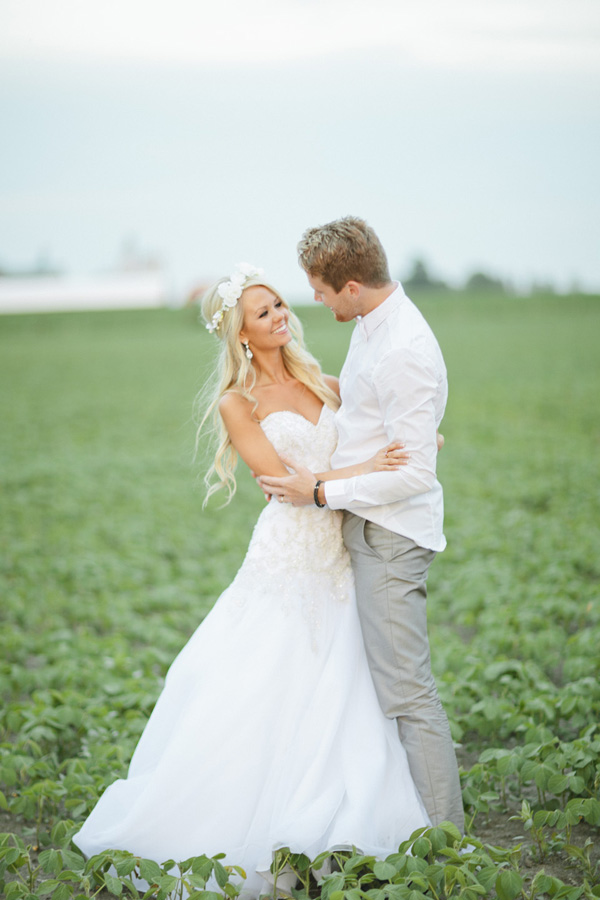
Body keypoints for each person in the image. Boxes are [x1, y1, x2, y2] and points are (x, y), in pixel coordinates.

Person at [73, 262, 432, 898]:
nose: (281, 315)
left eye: (279, 305)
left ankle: (336, 826)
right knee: (267, 684)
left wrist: (375, 464)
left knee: (341, 693)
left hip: (340, 555)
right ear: (242, 334)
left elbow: (356, 456)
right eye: (263, 312)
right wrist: (361, 470)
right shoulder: (238, 403)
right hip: (288, 558)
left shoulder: (325, 382)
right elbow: (281, 484)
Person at [258, 218, 465, 833]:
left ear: (351, 285)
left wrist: (321, 489)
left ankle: (446, 840)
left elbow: (414, 475)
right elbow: (367, 414)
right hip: (366, 527)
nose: (315, 301)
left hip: (390, 535)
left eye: (320, 289)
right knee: (378, 690)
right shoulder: (373, 327)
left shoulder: (404, 348)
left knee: (406, 692)